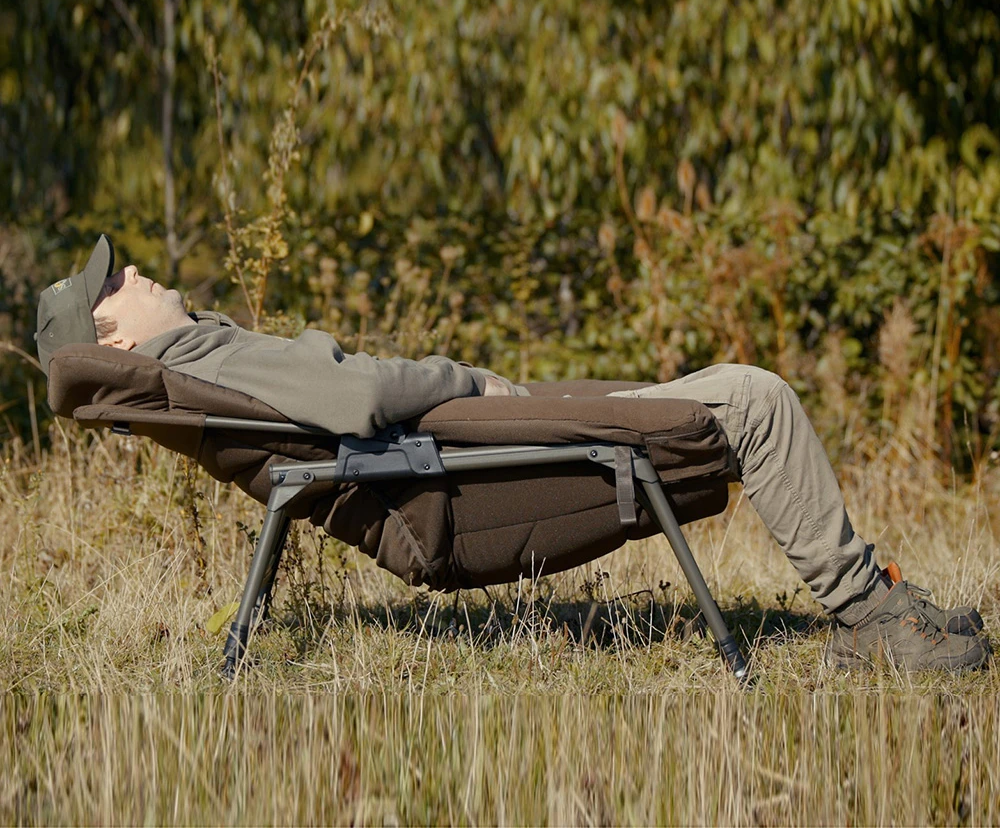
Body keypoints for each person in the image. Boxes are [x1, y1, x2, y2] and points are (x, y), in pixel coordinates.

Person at [36, 235, 991, 672]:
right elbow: (359, 397)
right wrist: (468, 381)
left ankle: (875, 598)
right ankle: (867, 613)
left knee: (734, 390)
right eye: (115, 285)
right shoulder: (209, 360)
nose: (133, 270)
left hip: (475, 443)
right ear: (115, 340)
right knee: (755, 398)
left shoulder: (202, 358)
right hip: (480, 459)